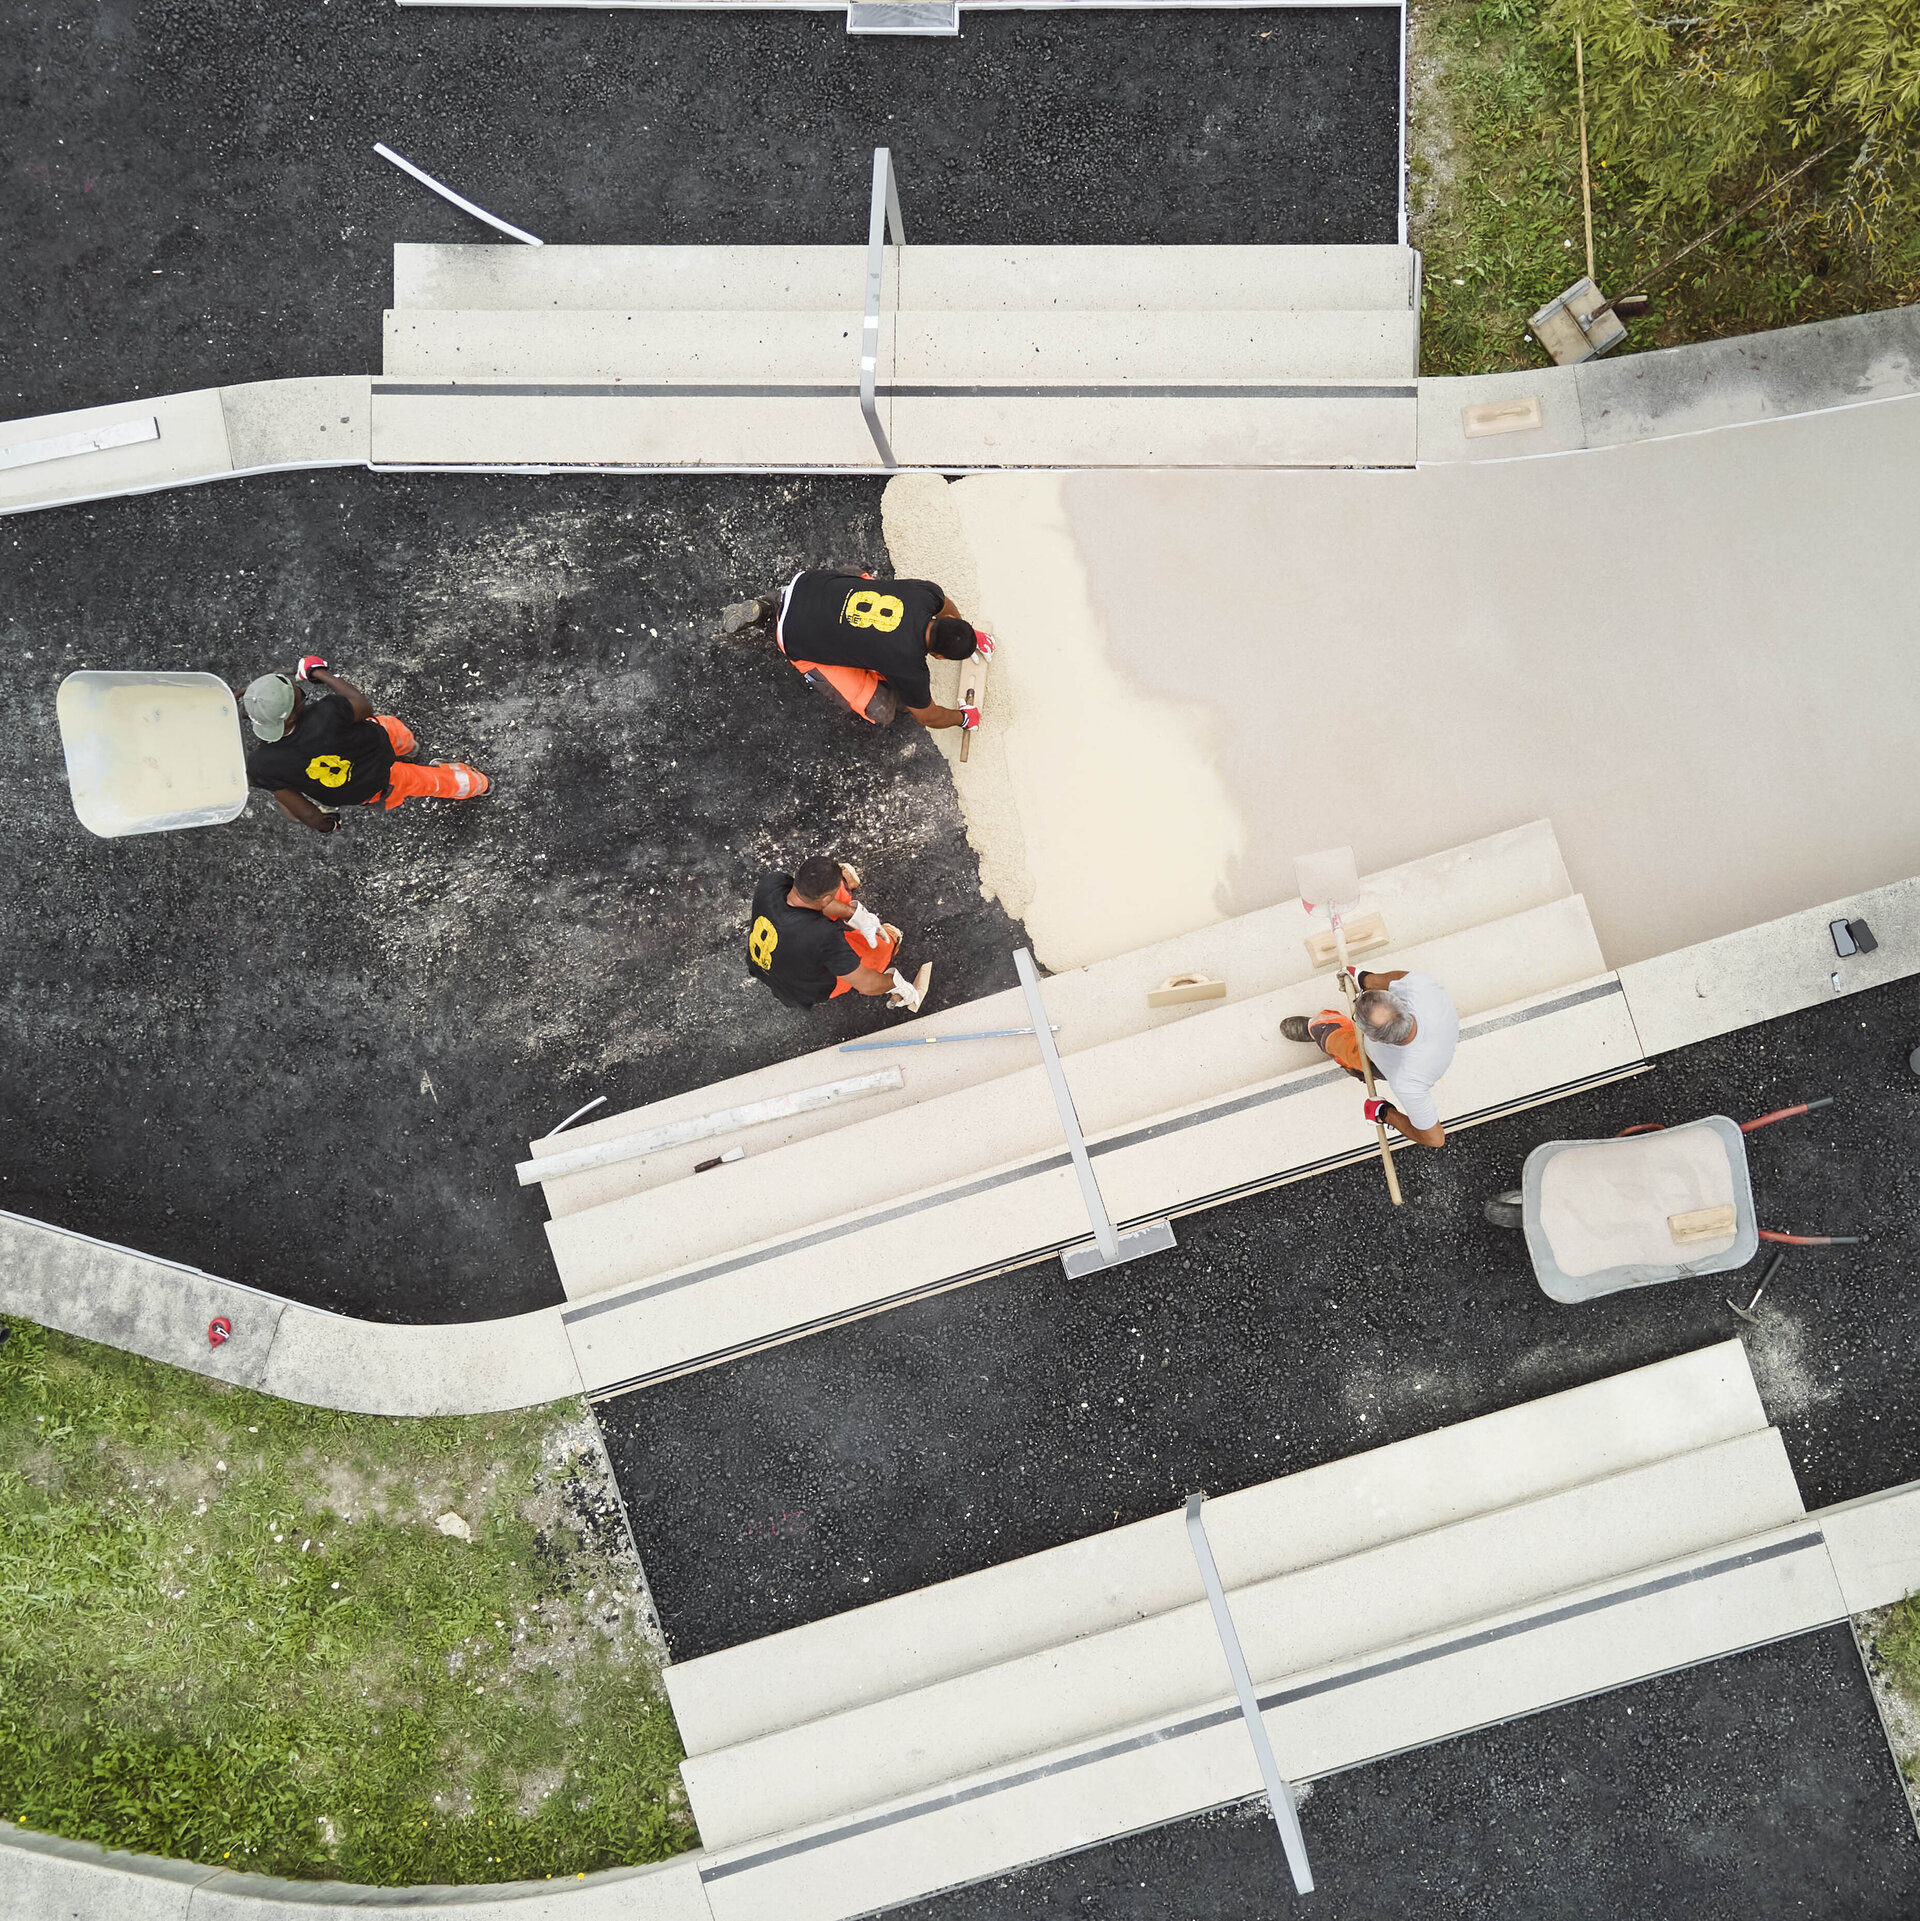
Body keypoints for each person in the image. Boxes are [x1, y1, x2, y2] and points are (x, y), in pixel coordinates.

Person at [241, 657, 489, 836]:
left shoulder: (263, 766)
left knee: (425, 781)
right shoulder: (328, 712)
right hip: (377, 746)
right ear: (294, 714)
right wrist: (320, 673)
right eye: (299, 695)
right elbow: (361, 704)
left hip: (375, 787)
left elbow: (307, 815)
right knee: (393, 729)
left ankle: (477, 784)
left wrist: (329, 824)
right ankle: (417, 753)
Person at [721, 571, 992, 732]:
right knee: (885, 708)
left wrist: (968, 637)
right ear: (940, 656)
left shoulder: (927, 595)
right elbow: (927, 715)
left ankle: (770, 602)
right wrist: (964, 718)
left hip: (807, 584)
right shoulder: (910, 668)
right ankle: (776, 623)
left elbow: (947, 605)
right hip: (794, 637)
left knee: (863, 580)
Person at [1281, 969, 1459, 1148]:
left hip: (1385, 1063)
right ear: (1399, 1002)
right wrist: (1364, 978)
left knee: (1339, 1043)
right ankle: (1358, 1071)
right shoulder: (1420, 986)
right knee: (1360, 1070)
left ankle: (1320, 1027)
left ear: (1372, 1038)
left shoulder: (1406, 1080)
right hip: (1442, 1046)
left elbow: (1435, 1139)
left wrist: (1386, 1113)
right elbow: (1399, 979)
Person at [747, 854, 930, 1013]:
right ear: (826, 899)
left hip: (769, 964)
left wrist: (854, 914)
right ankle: (889, 941)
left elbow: (814, 903)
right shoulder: (824, 936)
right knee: (884, 946)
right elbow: (867, 984)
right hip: (801, 990)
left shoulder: (771, 883)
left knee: (829, 886)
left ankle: (840, 881)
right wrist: (898, 984)